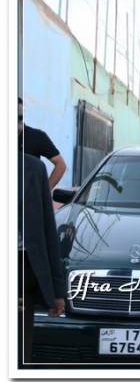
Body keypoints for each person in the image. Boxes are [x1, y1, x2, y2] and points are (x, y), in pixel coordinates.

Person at [19, 152, 66, 364]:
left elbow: (48, 231)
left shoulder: (33, 168)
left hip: (22, 270)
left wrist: (57, 291)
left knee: (19, 349)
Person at [18, 97, 67, 190]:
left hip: (28, 196)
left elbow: (60, 165)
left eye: (20, 117)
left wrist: (44, 191)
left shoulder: (36, 136)